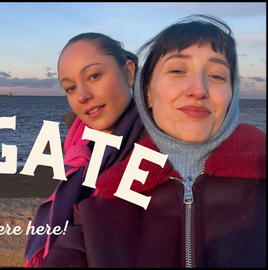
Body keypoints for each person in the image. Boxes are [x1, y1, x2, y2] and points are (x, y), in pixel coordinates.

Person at [40, 14, 266, 268]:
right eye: (178, 70)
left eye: (217, 76)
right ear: (147, 93)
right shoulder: (99, 207)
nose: (198, 89)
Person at [24, 33, 146, 267]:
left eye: (94, 75)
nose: (82, 95)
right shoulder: (78, 148)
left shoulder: (163, 151)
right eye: (70, 88)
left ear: (128, 72)